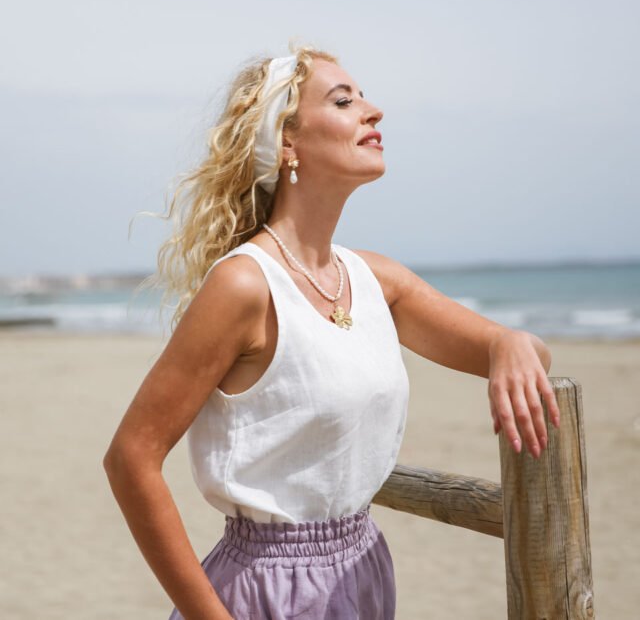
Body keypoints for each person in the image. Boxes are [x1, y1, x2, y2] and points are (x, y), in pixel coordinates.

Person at [103, 43, 560, 620]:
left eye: (364, 98)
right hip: (264, 593)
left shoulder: (376, 278)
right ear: (287, 141)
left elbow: (515, 349)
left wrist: (512, 343)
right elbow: (131, 457)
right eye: (345, 101)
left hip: (364, 571)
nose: (374, 112)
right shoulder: (245, 286)